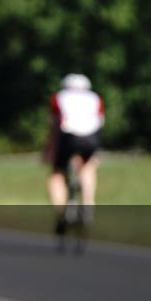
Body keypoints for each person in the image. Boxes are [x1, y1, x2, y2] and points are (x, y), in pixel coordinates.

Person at [44, 73, 104, 232]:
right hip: (91, 138)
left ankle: (62, 212)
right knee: (88, 166)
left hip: (68, 136)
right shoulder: (95, 98)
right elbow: (99, 124)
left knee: (57, 175)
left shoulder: (59, 97)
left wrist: (51, 150)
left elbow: (55, 126)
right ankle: (88, 203)